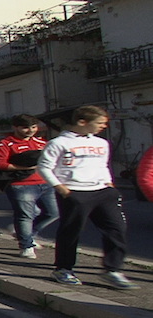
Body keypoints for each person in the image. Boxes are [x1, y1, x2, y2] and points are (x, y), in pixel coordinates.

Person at [39, 106, 138, 289]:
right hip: (74, 192)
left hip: (103, 192)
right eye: (99, 123)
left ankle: (112, 270)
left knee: (116, 228)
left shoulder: (101, 143)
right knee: (71, 231)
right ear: (82, 122)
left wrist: (109, 185)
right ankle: (63, 269)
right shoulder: (58, 143)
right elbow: (44, 167)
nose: (104, 126)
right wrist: (62, 189)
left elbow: (103, 165)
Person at [0, 115, 56, 259]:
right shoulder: (6, 144)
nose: (30, 131)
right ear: (15, 127)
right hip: (21, 185)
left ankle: (28, 234)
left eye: (33, 127)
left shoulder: (41, 142)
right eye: (25, 127)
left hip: (45, 183)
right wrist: (23, 167)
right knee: (25, 216)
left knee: (53, 212)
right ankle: (26, 245)